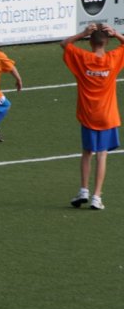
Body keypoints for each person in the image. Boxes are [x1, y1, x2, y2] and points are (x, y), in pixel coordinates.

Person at [62, 23, 124, 210]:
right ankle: (97, 196)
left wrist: (82, 33)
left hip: (88, 114)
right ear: (107, 42)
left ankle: (83, 190)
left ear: (90, 42)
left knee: (87, 153)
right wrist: (117, 33)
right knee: (102, 155)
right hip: (107, 115)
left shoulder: (83, 58)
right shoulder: (112, 59)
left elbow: (64, 44)